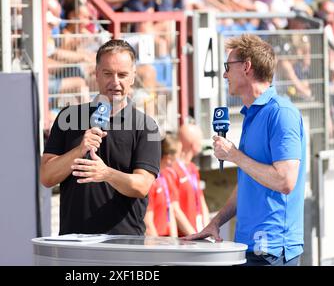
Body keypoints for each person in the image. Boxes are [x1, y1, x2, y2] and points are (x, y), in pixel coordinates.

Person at [186, 34, 306, 266]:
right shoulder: (253, 114)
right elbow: (250, 183)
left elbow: (285, 181)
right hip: (248, 246)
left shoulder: (281, 113)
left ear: (247, 67)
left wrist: (233, 155)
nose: (224, 74)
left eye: (227, 67)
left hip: (273, 249)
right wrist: (216, 222)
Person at [40, 39, 161, 235]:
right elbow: (46, 176)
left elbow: (142, 186)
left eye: (122, 75)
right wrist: (78, 151)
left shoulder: (147, 127)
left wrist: (106, 173)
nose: (115, 82)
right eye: (107, 74)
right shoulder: (68, 117)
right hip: (74, 243)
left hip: (124, 245)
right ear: (96, 74)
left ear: (132, 77)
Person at [175, 123, 210, 234]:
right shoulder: (173, 170)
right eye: (200, 140)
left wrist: (207, 230)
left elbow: (201, 199)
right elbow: (174, 209)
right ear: (193, 144)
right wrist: (193, 235)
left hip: (197, 232)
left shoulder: (192, 168)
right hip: (183, 238)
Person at [144, 135, 179, 237]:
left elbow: (171, 210)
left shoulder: (165, 176)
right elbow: (148, 223)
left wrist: (174, 242)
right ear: (168, 158)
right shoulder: (151, 181)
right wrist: (158, 249)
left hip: (165, 241)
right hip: (156, 241)